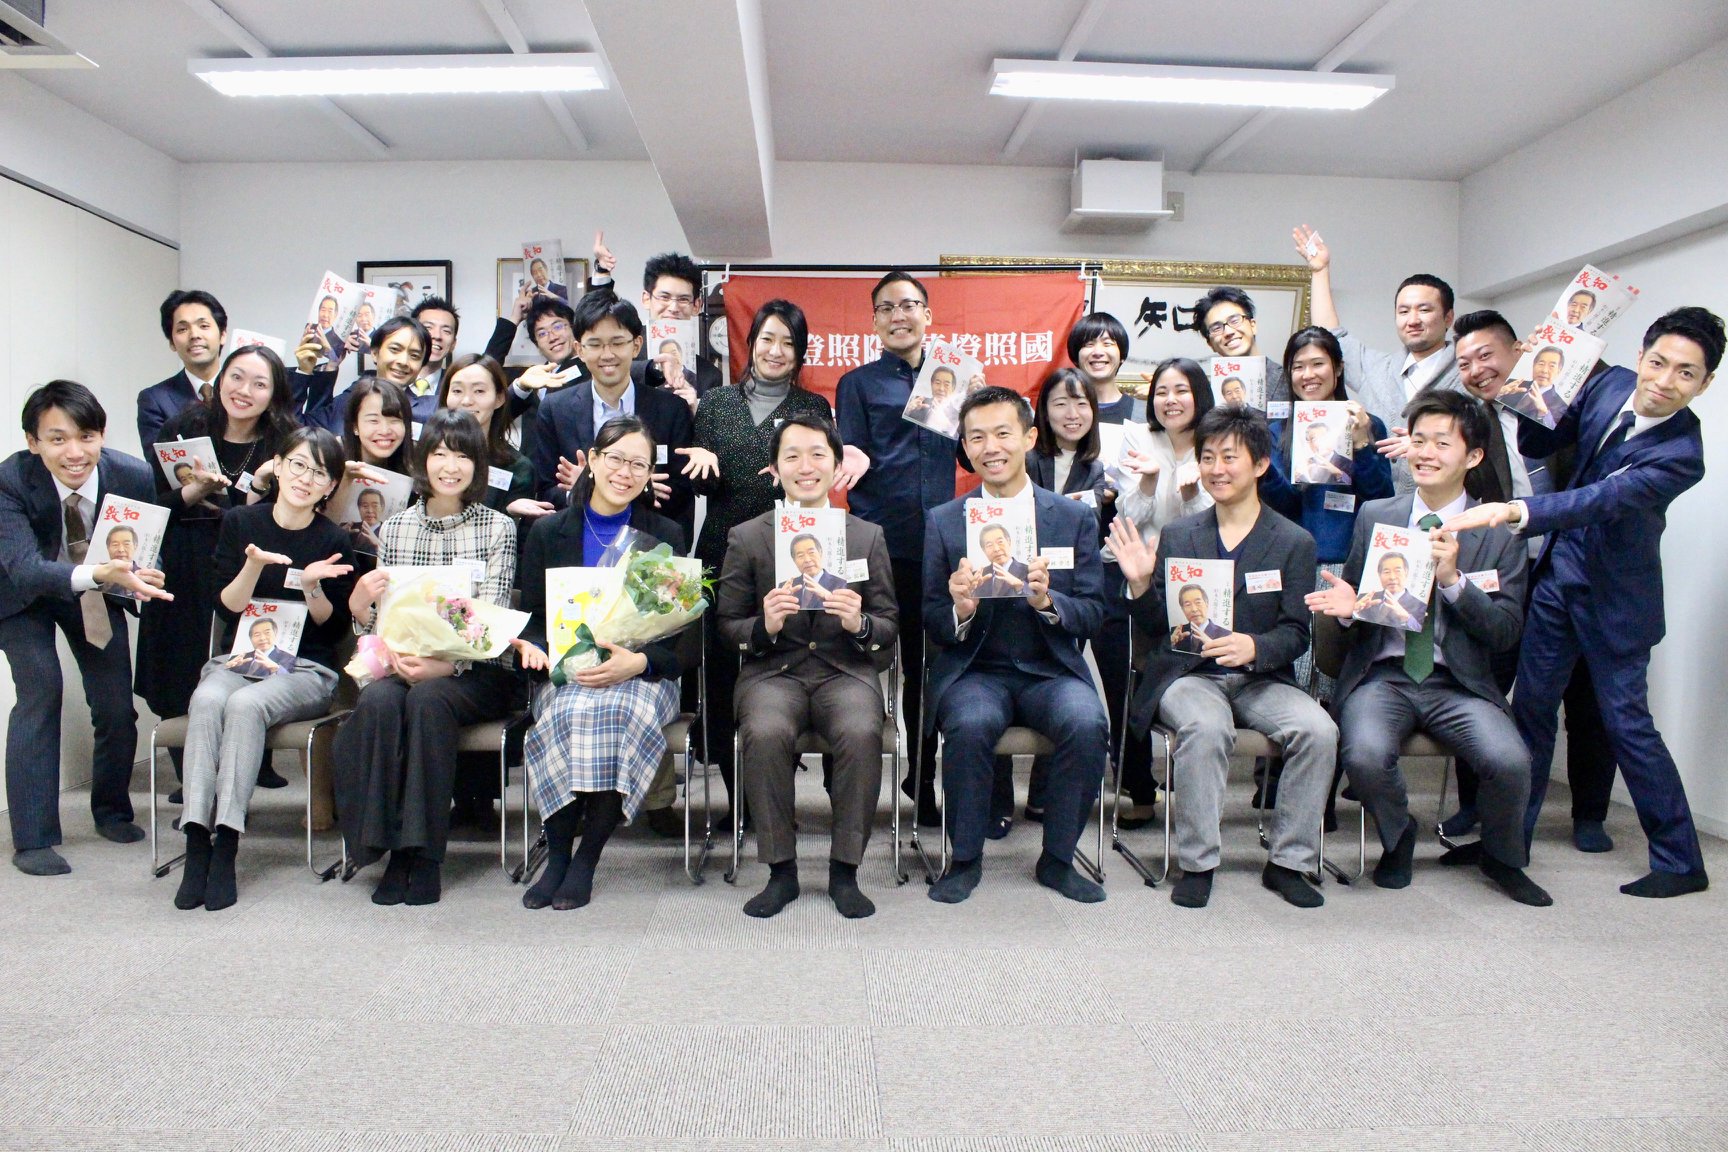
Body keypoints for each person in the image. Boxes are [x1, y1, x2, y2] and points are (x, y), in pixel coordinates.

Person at [1443, 306, 1723, 899]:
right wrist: (1537, 395)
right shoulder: (1613, 383)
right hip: (1558, 580)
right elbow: (1549, 440)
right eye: (1659, 362)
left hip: (1618, 598)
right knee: (1531, 714)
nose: (1665, 381)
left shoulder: (1682, 454)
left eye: (1686, 374)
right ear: (1642, 358)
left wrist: (1517, 511)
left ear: (1706, 384)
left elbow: (1602, 497)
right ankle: (1505, 845)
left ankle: (1680, 859)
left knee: (1628, 725)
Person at [1311, 390, 1549, 905]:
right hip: (1383, 673)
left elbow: (1506, 632)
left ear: (1474, 456)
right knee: (1365, 754)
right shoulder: (1377, 514)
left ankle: (1502, 857)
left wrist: (1453, 581)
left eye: (1443, 442)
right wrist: (1350, 607)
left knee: (1510, 761)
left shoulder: (1497, 530)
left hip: (1457, 682)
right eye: (1418, 440)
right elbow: (1354, 612)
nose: (1426, 453)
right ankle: (1399, 836)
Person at [1115, 405, 1337, 910]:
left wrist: (1255, 647)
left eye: (1229, 457)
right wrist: (1140, 583)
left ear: (1259, 464)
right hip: (1190, 674)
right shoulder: (1180, 535)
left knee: (1319, 730)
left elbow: (1296, 633)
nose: (1216, 468)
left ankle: (1290, 861)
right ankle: (1198, 863)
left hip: (1262, 677)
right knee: (1206, 729)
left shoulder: (1294, 542)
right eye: (1207, 457)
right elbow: (1157, 628)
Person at [922, 385, 1110, 905]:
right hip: (977, 669)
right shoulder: (945, 521)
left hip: (1049, 668)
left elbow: (1093, 612)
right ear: (964, 446)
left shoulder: (1072, 518)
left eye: (1003, 433)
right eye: (976, 437)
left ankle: (1057, 859)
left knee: (1086, 722)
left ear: (1029, 437)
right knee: (970, 722)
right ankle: (964, 859)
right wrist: (958, 608)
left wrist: (1050, 603)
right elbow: (932, 618)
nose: (990, 447)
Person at [334, 409, 523, 906]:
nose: (450, 465)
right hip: (403, 663)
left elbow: (493, 622)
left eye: (462, 454)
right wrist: (360, 612)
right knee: (376, 702)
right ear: (423, 460)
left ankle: (423, 853)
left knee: (429, 701)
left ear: (477, 464)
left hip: (475, 671)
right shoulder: (395, 530)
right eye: (439, 452)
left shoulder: (498, 528)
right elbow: (382, 623)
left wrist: (447, 665)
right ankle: (383, 844)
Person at [717, 414, 898, 918]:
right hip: (773, 672)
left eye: (818, 453)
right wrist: (764, 627)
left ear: (837, 465)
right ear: (774, 468)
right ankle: (781, 871)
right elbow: (727, 624)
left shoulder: (865, 536)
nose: (805, 465)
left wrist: (860, 623)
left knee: (863, 730)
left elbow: (889, 625)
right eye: (791, 455)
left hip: (846, 672)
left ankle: (846, 870)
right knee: (767, 730)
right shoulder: (749, 537)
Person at [1448, 310, 1616, 851]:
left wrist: (1578, 355)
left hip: (1577, 568)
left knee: (1586, 698)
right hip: (1511, 572)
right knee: (1484, 687)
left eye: (1485, 356)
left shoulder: (1564, 405)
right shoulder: (1475, 424)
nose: (1476, 370)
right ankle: (1475, 805)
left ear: (1518, 350)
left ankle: (1589, 814)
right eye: (1464, 363)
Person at [515, 416, 692, 911]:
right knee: (567, 714)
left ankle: (586, 860)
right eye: (615, 458)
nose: (625, 471)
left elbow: (677, 630)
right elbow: (532, 620)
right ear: (592, 461)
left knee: (620, 714)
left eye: (638, 463)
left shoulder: (663, 532)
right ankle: (556, 857)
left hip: (642, 671)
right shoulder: (550, 531)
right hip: (570, 668)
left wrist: (636, 663)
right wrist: (532, 647)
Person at [173, 426, 354, 910]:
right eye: (298, 464)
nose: (305, 478)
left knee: (247, 705)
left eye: (319, 472)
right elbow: (227, 607)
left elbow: (334, 630)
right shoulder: (240, 522)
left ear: (331, 486)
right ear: (277, 465)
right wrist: (252, 566)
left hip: (306, 670)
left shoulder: (334, 538)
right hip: (244, 655)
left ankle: (227, 842)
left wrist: (312, 586)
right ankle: (196, 839)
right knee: (209, 697)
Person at [0, 380, 170, 875]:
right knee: (41, 690)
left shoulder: (133, 475)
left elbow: (145, 545)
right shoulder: (10, 480)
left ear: (102, 434)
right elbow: (25, 568)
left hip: (96, 588)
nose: (75, 452)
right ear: (34, 442)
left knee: (117, 704)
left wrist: (142, 573)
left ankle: (112, 809)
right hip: (21, 593)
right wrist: (100, 574)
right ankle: (33, 839)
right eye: (57, 439)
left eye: (86, 436)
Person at [679, 299, 836, 819]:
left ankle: (776, 796)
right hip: (721, 551)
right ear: (752, 343)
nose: (775, 350)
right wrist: (701, 462)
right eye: (767, 338)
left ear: (799, 351)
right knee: (722, 680)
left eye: (788, 342)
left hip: (786, 554)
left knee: (779, 675)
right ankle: (741, 803)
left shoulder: (813, 410)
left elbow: (819, 475)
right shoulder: (716, 404)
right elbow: (699, 475)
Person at [137, 345, 301, 798]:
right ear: (221, 379)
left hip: (248, 563)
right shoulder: (185, 428)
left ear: (275, 394)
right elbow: (153, 505)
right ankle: (191, 776)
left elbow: (285, 516)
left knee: (247, 663)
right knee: (180, 663)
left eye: (259, 383)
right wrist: (191, 493)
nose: (244, 391)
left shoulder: (285, 442)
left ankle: (245, 767)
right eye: (236, 377)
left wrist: (262, 486)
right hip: (186, 556)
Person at [837, 271, 955, 827]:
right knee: (872, 664)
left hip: (942, 548)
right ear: (875, 321)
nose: (898, 315)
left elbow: (969, 457)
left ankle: (922, 778)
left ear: (927, 314)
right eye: (886, 308)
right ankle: (857, 785)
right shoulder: (857, 384)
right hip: (881, 548)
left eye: (909, 305)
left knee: (929, 670)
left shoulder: (952, 378)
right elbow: (852, 457)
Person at [1293, 225, 1462, 487]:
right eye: (1404, 311)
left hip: (1445, 510)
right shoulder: (1378, 368)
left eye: (1424, 310)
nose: (1413, 320)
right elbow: (1333, 338)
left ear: (1448, 317)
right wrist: (1320, 272)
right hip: (1383, 509)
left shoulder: (1467, 372)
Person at [530, 291, 696, 540]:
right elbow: (545, 489)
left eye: (618, 343)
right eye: (595, 344)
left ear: (636, 345)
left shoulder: (671, 409)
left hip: (649, 547)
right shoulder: (555, 409)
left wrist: (597, 485)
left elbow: (682, 490)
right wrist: (585, 490)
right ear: (580, 350)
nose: (607, 354)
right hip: (578, 544)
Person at [293, 316, 429, 437]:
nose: (403, 361)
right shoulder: (349, 400)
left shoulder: (427, 412)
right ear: (375, 353)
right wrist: (304, 371)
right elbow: (300, 432)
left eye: (415, 356)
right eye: (395, 349)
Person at [629, 250, 721, 407]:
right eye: (664, 297)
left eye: (683, 299)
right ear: (646, 299)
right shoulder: (625, 362)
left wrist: (696, 411)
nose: (673, 307)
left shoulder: (710, 376)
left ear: (696, 306)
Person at [139, 289, 228, 451]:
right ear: (172, 343)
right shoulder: (155, 399)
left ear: (222, 335)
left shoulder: (244, 391)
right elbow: (159, 462)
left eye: (203, 326)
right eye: (182, 329)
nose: (194, 335)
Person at [1192, 286, 1290, 406]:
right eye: (1216, 328)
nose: (1228, 332)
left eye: (1234, 320)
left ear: (1253, 325)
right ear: (1210, 344)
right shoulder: (1207, 393)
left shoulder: (1288, 379)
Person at [1026, 367, 1106, 500]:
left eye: (1081, 403)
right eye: (1061, 404)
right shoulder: (1026, 459)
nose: (1073, 415)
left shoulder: (1094, 470)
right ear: (1045, 411)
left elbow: (1090, 518)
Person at [407, 295, 461, 421]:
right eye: (428, 328)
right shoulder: (388, 379)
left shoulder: (456, 387)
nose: (437, 336)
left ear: (453, 344)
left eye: (446, 331)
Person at [1355, 552, 1428, 631]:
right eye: (1387, 572)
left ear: (1406, 573)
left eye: (1397, 571)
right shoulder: (1363, 600)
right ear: (1379, 575)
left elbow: (1423, 634)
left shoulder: (1420, 606)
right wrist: (1354, 610)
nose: (1392, 577)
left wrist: (1407, 618)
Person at [1498, 346, 1568, 425]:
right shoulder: (1512, 384)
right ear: (1534, 365)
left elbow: (1557, 435)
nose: (1544, 370)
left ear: (1559, 371)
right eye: (1541, 364)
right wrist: (1500, 392)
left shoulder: (1561, 406)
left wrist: (1544, 413)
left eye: (1552, 366)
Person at [785, 533, 847, 610]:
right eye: (800, 555)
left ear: (820, 553)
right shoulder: (787, 587)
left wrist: (828, 596)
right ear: (794, 560)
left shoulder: (840, 584)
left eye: (811, 553)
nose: (807, 560)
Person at [971, 524, 1030, 598]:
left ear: (1009, 542)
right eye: (989, 545)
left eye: (1000, 542)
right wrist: (971, 591)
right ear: (984, 550)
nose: (996, 549)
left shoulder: (1029, 571)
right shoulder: (976, 577)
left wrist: (1020, 587)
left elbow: (1042, 596)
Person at [225, 618, 295, 679]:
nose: (262, 638)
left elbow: (292, 683)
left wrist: (276, 669)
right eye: (257, 635)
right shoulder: (237, 659)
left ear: (275, 634)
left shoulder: (288, 658)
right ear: (250, 638)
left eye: (267, 633)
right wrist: (227, 667)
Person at [1170, 584, 1229, 653]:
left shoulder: (1225, 634)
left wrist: (1213, 646)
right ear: (1182, 609)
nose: (1194, 609)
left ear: (1207, 604)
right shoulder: (1175, 633)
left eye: (1198, 602)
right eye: (1187, 605)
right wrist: (1172, 644)